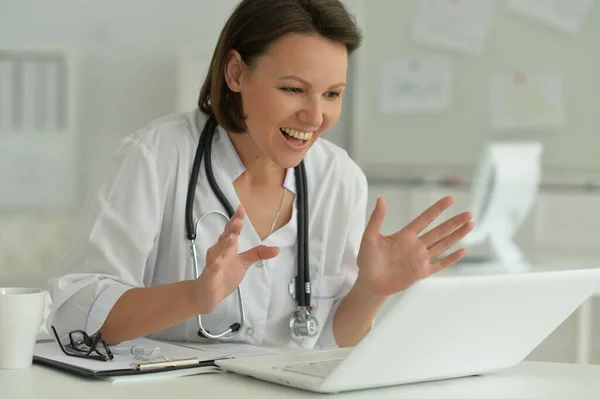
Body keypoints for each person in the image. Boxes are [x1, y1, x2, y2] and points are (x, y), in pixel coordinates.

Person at [47, 0, 474, 351]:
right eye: (293, 89)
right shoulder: (157, 157)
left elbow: (324, 347)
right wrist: (194, 296)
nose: (315, 115)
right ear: (235, 73)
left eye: (332, 94)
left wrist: (371, 291)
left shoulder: (339, 179)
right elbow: (74, 313)